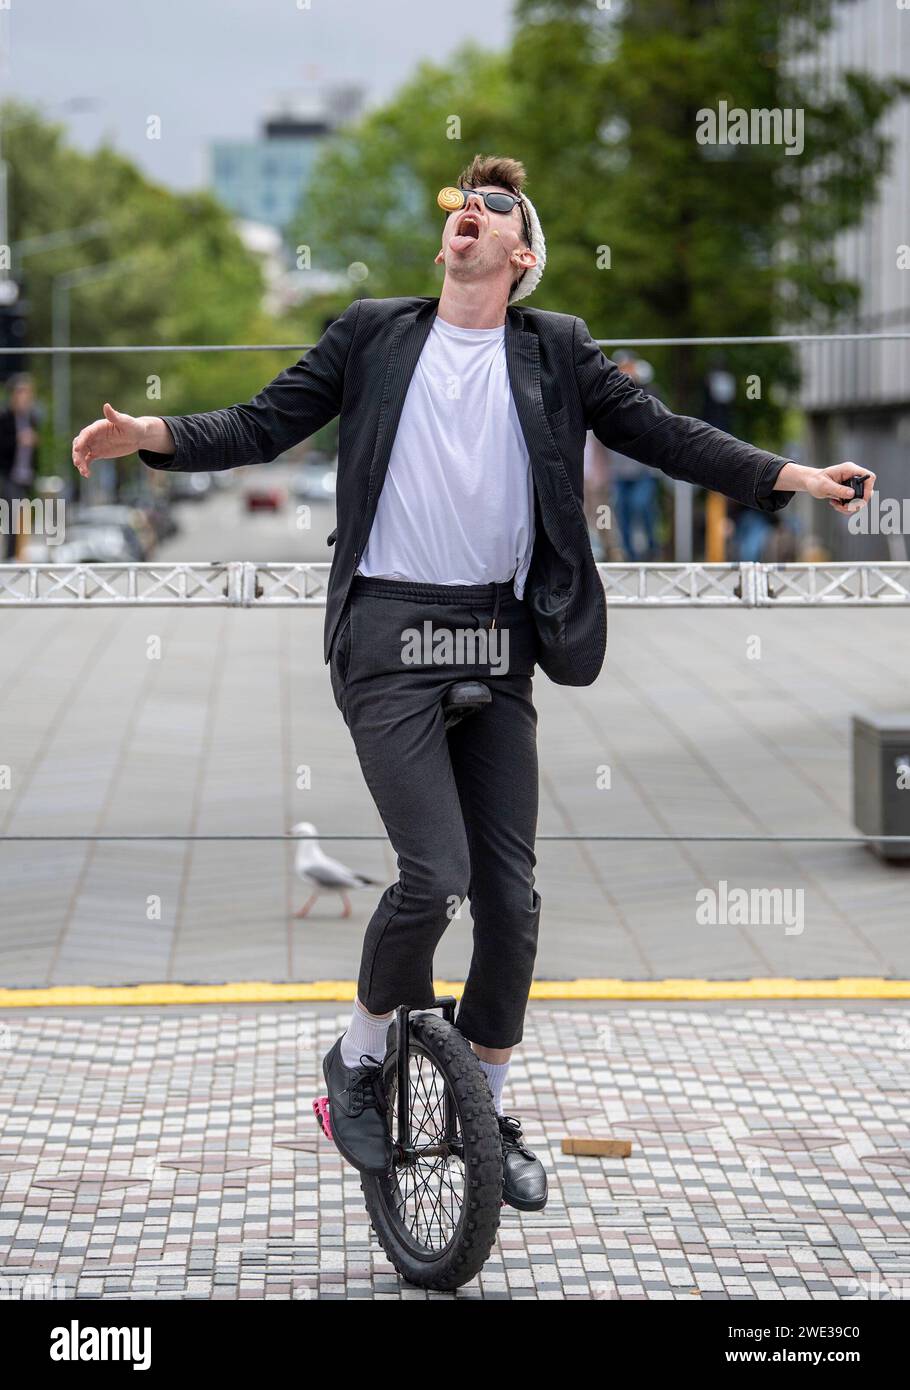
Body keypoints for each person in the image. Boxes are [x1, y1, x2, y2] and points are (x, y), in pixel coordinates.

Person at [71, 154, 875, 1210]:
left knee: (512, 897)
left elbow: (664, 436)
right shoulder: (372, 332)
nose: (468, 216)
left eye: (493, 209)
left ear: (521, 253)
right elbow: (265, 422)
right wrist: (152, 437)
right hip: (389, 631)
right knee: (432, 874)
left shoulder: (558, 350)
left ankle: (486, 1097)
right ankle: (358, 1059)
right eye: (460, 206)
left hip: (498, 637)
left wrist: (792, 474)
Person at [0, 374, 40, 561]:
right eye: (22, 393)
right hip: (7, 473)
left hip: (25, 475)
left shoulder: (32, 418)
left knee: (24, 512)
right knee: (12, 511)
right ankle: (10, 556)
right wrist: (18, 439)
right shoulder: (4, 417)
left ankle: (19, 552)